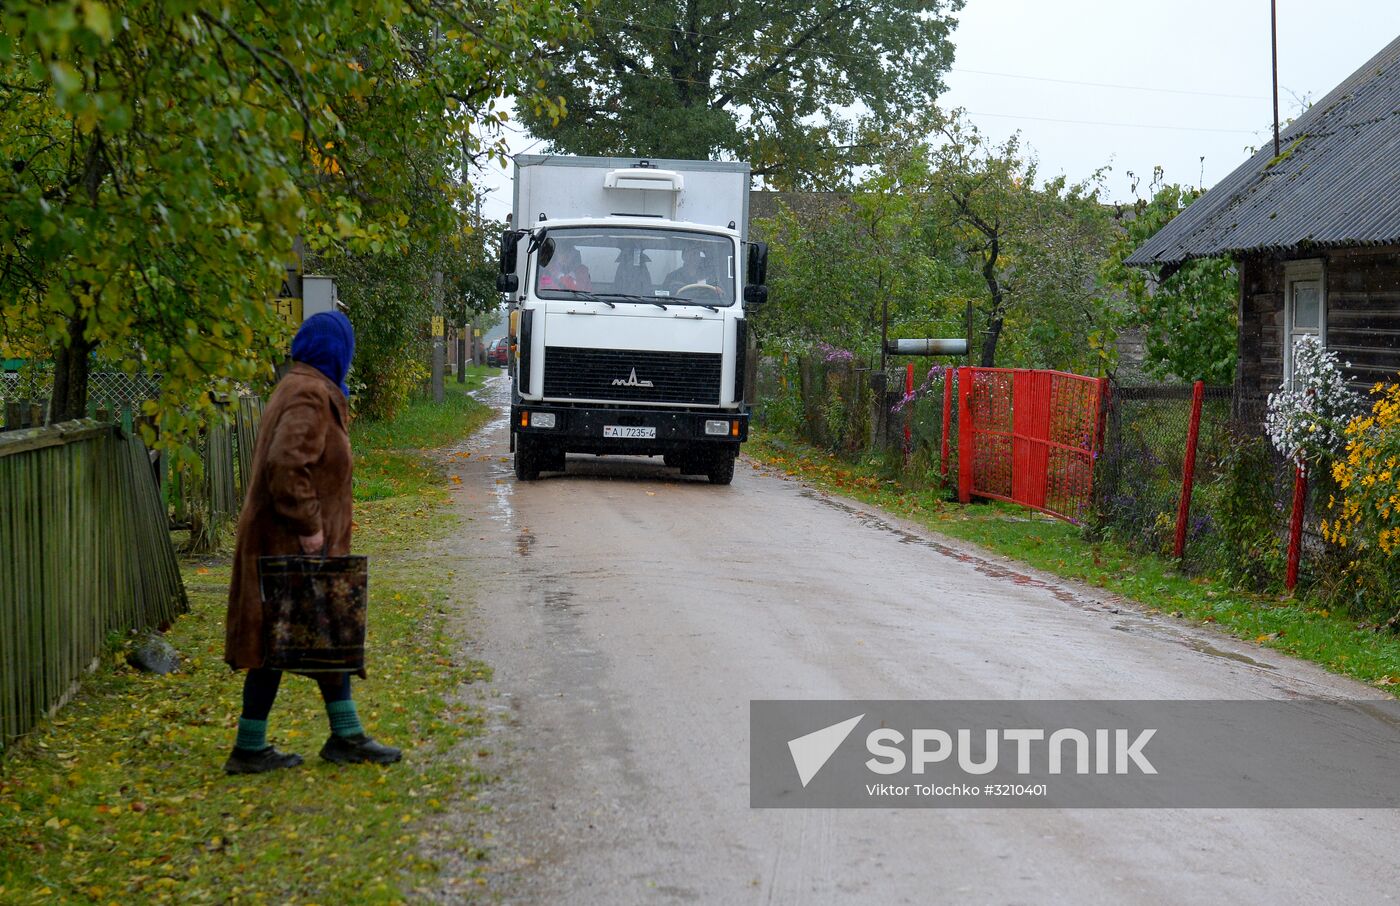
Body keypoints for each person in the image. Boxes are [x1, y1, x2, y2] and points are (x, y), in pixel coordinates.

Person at [223, 310, 401, 774]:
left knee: (315, 633)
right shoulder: (309, 393)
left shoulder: (303, 386)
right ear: (336, 351)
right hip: (290, 542)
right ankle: (260, 746)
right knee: (286, 637)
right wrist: (311, 527)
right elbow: (287, 465)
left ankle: (336, 736)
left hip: (289, 543)